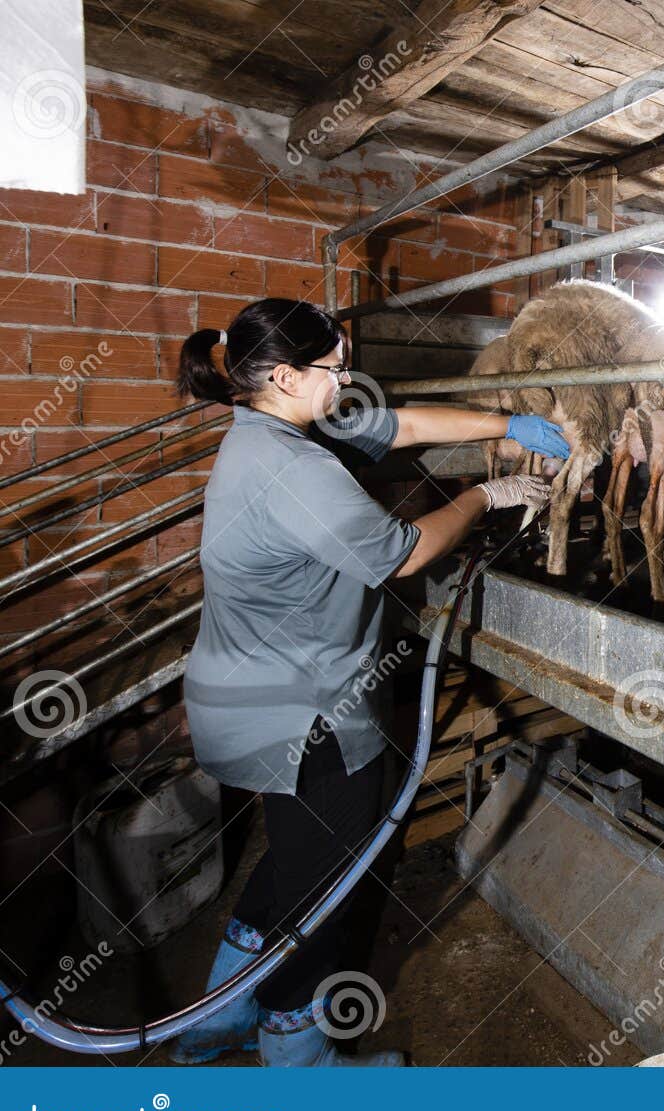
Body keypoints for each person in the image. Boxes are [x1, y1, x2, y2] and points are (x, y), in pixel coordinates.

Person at [167, 298, 563, 1066]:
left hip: (251, 699)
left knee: (296, 860)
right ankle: (296, 1055)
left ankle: (215, 1017)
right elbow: (404, 552)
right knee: (332, 886)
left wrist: (507, 424)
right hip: (303, 716)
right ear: (285, 376)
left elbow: (400, 425)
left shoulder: (267, 431)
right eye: (335, 367)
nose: (348, 380)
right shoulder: (294, 468)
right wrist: (485, 496)